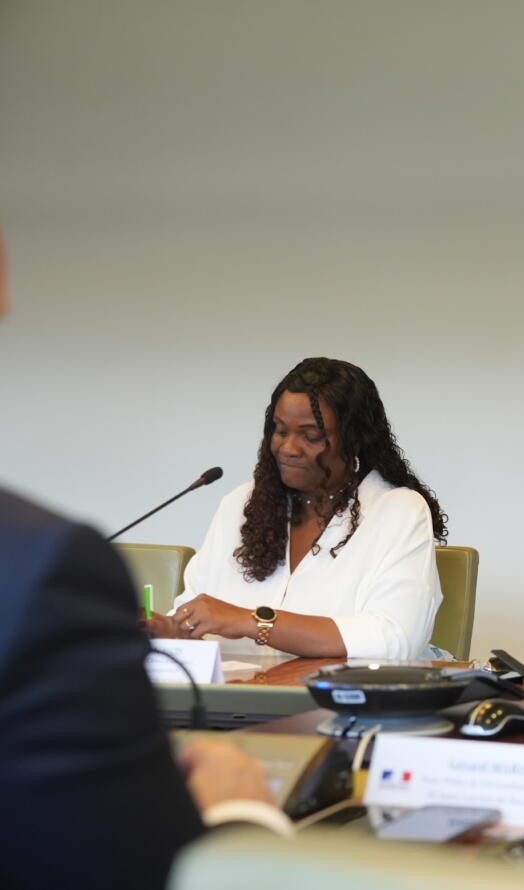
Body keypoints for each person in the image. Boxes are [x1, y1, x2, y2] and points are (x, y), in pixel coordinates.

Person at [0, 249, 285, 888]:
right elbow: (124, 861)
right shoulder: (39, 570)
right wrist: (244, 814)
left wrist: (246, 620)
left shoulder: (396, 509)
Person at [152, 357, 447, 659]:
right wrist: (163, 628)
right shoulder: (240, 505)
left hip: (340, 690)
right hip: (236, 689)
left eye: (311, 436)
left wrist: (252, 621)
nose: (288, 448)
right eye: (281, 431)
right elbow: (192, 614)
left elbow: (396, 639)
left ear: (355, 440)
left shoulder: (397, 511)